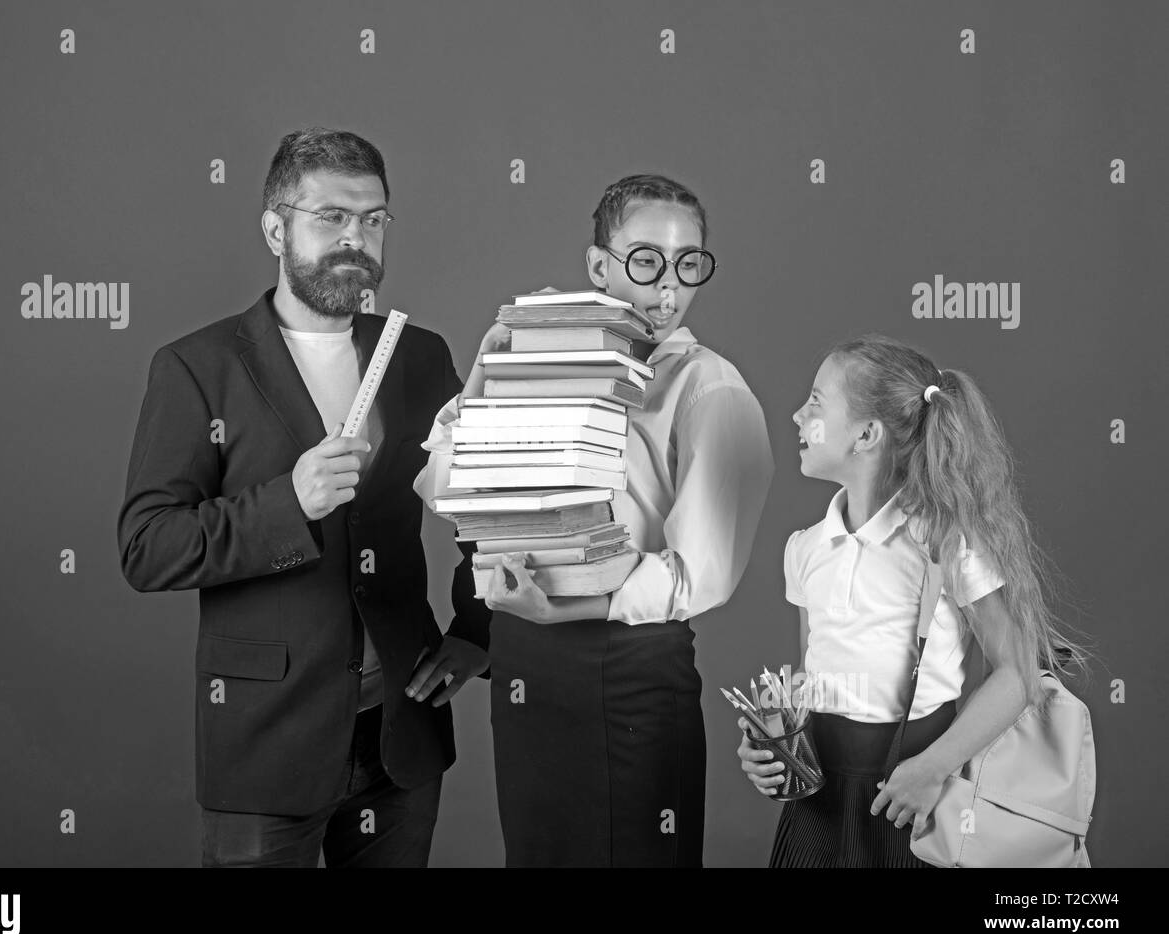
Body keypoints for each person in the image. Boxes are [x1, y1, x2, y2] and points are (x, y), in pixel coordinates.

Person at [117, 127, 488, 867]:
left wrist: (478, 627)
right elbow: (147, 546)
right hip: (265, 747)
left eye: (374, 219)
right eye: (332, 218)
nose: (357, 238)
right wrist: (290, 502)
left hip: (399, 740)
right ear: (275, 227)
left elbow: (480, 500)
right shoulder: (198, 367)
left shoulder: (419, 355)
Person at [412, 173, 775, 866]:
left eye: (688, 264)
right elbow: (450, 489)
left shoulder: (709, 387)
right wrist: (489, 375)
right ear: (598, 264)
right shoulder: (537, 356)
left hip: (629, 670)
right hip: (526, 669)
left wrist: (573, 605)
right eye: (645, 261)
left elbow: (700, 571)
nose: (668, 288)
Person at [738, 333, 1087, 867]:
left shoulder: (945, 546)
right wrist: (775, 743)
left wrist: (934, 768)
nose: (795, 415)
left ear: (866, 434)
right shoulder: (805, 549)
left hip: (911, 803)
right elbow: (812, 679)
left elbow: (1018, 673)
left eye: (815, 402)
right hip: (817, 808)